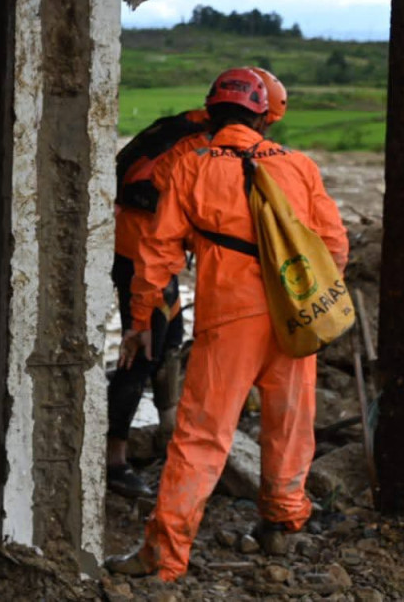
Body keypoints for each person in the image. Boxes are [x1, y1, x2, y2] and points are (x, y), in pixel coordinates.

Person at [104, 68, 348, 581]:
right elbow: (334, 246)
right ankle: (281, 523)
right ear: (266, 115)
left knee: (201, 438)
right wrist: (311, 300)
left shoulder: (191, 168)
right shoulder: (300, 166)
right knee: (289, 423)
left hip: (229, 321)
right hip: (295, 316)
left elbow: (157, 253)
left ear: (211, 113)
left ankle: (163, 556)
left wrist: (142, 318)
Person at [107, 67, 288, 498]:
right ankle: (114, 459)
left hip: (145, 247)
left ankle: (168, 430)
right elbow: (145, 198)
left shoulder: (189, 129)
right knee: (143, 347)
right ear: (259, 117)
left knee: (170, 337)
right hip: (141, 253)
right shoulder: (196, 146)